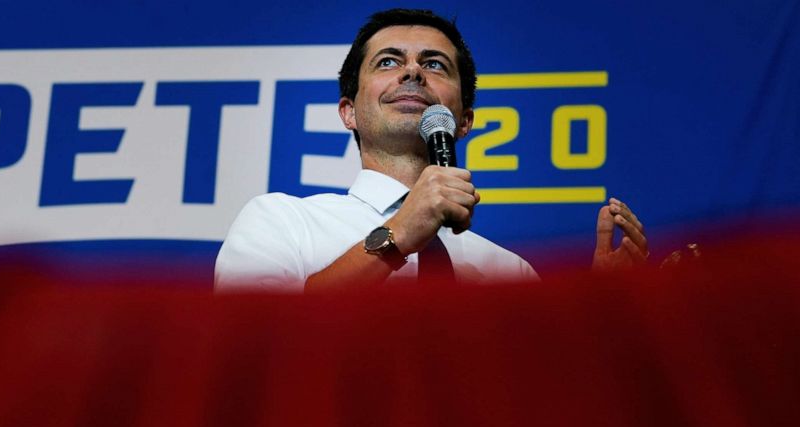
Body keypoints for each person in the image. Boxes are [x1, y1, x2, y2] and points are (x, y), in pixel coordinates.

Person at [215, 8, 648, 291]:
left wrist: (602, 309)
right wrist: (399, 235)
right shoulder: (282, 222)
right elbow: (253, 344)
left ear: (464, 121)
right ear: (348, 112)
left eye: (434, 64)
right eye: (387, 62)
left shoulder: (509, 273)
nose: (412, 73)